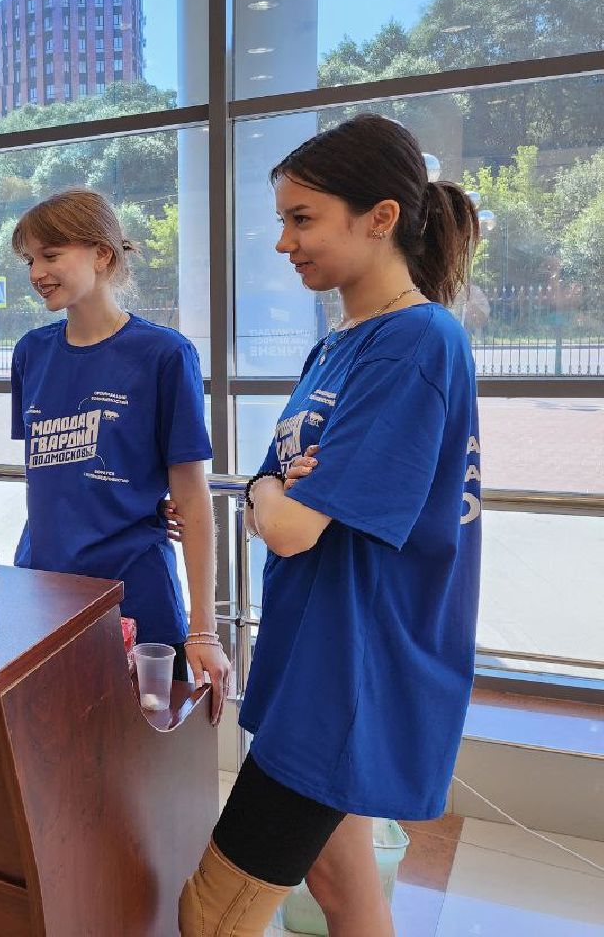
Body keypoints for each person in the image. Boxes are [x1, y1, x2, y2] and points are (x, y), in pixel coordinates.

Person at [179, 114, 481, 936]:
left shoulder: (416, 343)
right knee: (346, 898)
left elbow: (289, 527)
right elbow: (271, 484)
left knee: (210, 913)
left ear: (380, 217)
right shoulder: (338, 345)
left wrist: (269, 497)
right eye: (283, 219)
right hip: (311, 655)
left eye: (302, 218)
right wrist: (270, 490)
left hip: (347, 676)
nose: (284, 242)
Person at [9, 187, 230, 709]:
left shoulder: (164, 354)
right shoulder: (30, 353)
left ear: (102, 254)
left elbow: (192, 497)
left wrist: (204, 628)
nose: (36, 272)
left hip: (135, 593)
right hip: (42, 591)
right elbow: (52, 479)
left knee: (141, 746)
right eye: (29, 260)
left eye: (50, 255)